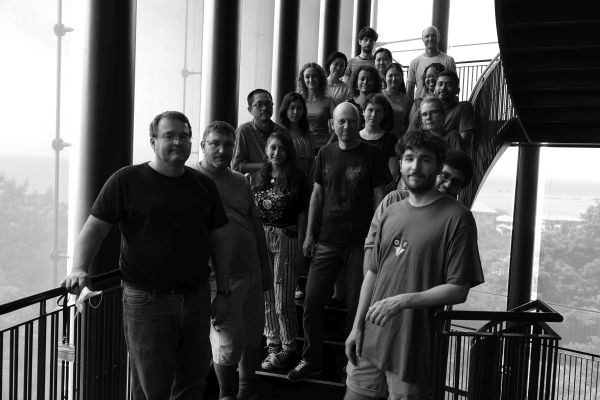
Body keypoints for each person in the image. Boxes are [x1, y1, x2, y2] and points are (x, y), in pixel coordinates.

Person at [61, 111, 230, 400]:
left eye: (184, 136)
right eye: (169, 136)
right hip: (147, 301)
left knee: (193, 383)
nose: (178, 141)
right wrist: (79, 267)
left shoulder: (204, 185)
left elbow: (218, 240)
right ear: (153, 141)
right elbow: (94, 229)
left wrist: (224, 292)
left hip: (197, 298)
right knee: (152, 387)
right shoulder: (126, 181)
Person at [345, 129, 484, 400]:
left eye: (425, 159)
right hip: (370, 339)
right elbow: (373, 272)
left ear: (437, 166)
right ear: (400, 164)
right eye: (409, 158)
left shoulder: (458, 218)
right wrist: (357, 325)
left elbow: (458, 289)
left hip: (412, 346)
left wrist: (402, 301)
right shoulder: (391, 211)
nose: (416, 166)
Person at [287, 102, 391, 382]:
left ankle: (351, 363)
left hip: (361, 243)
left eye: (351, 121)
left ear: (359, 123)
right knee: (312, 302)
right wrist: (310, 234)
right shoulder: (325, 152)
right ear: (332, 124)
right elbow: (317, 194)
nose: (346, 126)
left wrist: (377, 236)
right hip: (327, 240)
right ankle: (311, 359)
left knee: (357, 306)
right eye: (341, 121)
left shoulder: (372, 153)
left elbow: (379, 196)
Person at [197, 121, 272, 400]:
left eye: (228, 144)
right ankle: (226, 394)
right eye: (215, 143)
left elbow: (256, 225)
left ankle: (246, 389)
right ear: (202, 146)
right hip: (218, 279)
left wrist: (265, 267)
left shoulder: (240, 180)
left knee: (252, 334)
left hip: (250, 270)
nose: (222, 150)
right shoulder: (191, 180)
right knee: (226, 342)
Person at [250, 131, 310, 371]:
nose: (277, 152)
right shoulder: (259, 176)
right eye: (272, 147)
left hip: (286, 237)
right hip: (263, 237)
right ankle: (272, 343)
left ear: (289, 152)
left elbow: (303, 212)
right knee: (266, 293)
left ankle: (289, 347)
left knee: (282, 298)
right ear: (266, 149)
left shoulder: (297, 177)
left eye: (282, 148)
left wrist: (303, 243)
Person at [232, 89, 289, 174]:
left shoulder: (282, 130)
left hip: (280, 179)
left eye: (268, 104)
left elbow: (290, 159)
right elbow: (236, 166)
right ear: (250, 110)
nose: (264, 108)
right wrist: (267, 166)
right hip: (252, 181)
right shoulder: (243, 131)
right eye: (259, 104)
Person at [406, 26, 456, 102]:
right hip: (420, 105)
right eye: (427, 36)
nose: (430, 38)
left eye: (434, 35)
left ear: (439, 38)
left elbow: (454, 85)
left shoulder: (449, 60)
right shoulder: (414, 62)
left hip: (443, 105)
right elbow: (410, 89)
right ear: (423, 39)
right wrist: (410, 108)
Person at [297, 62, 335, 153]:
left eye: (314, 76)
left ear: (320, 78)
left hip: (323, 147)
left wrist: (327, 146)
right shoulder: (299, 100)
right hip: (303, 147)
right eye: (307, 77)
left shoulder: (328, 101)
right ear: (303, 79)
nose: (311, 79)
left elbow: (338, 125)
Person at [359, 93, 398, 182]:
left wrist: (380, 190)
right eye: (370, 110)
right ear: (363, 112)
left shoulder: (391, 140)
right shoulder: (354, 137)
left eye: (378, 111)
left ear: (384, 114)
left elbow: (393, 173)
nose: (373, 114)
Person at [434, 70, 476, 146]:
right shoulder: (426, 111)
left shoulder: (463, 107)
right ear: (434, 89)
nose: (443, 88)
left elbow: (464, 143)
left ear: (457, 90)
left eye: (449, 85)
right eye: (440, 84)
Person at [278, 92, 315, 178]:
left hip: (306, 180)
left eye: (299, 108)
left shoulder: (308, 134)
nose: (296, 112)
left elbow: (312, 162)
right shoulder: (279, 133)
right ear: (285, 109)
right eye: (292, 108)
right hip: (285, 180)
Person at [382, 63, 410, 139]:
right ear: (385, 77)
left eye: (397, 75)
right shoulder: (379, 95)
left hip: (399, 140)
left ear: (402, 77)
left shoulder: (406, 99)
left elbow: (407, 123)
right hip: (381, 140)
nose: (394, 78)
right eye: (390, 75)